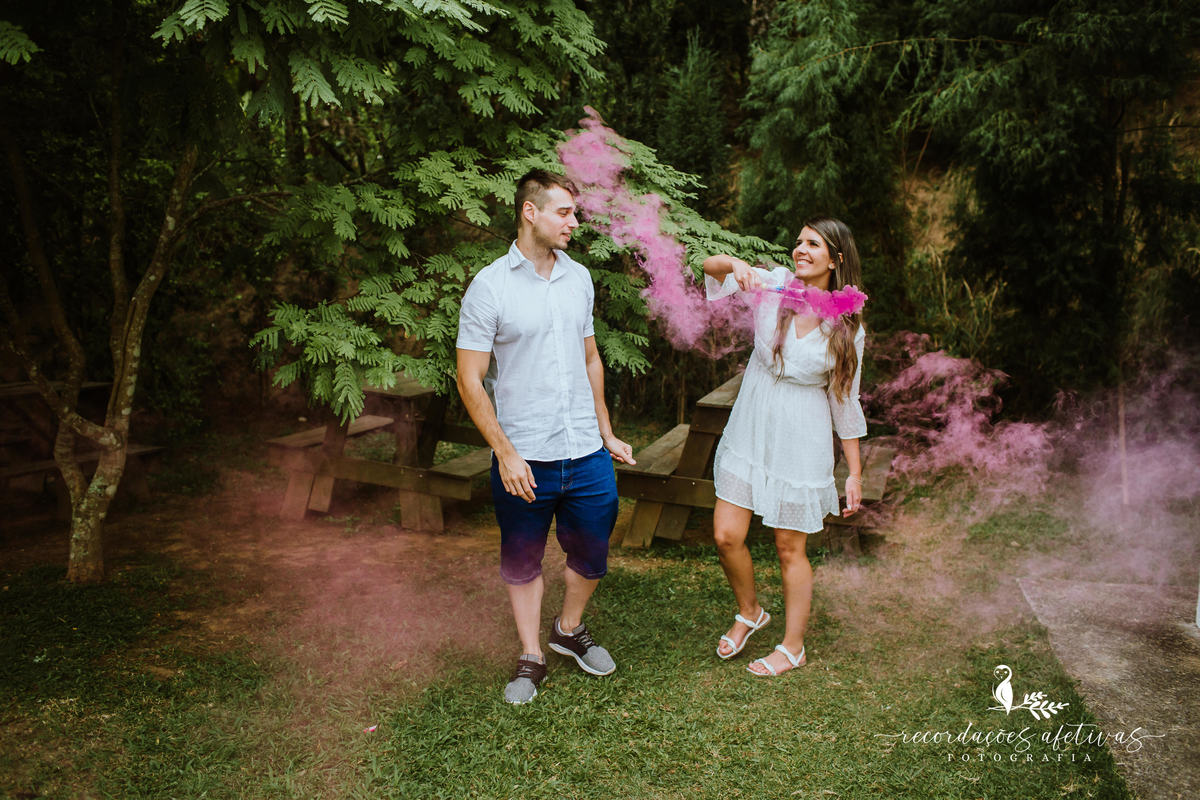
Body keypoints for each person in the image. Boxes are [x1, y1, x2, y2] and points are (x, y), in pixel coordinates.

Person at [456, 169, 636, 704]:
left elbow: (589, 357)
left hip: (584, 450)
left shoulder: (579, 277)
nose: (574, 223)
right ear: (530, 212)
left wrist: (605, 431)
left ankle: (568, 628)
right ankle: (531, 654)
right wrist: (505, 453)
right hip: (524, 455)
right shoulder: (489, 285)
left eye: (575, 213)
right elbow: (469, 378)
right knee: (522, 559)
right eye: (565, 212)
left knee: (593, 550)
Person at [702, 216, 867, 676]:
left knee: (789, 547)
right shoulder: (774, 285)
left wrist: (853, 472)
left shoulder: (848, 327)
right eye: (799, 241)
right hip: (752, 424)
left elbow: (845, 401)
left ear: (835, 259)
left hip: (801, 436)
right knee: (725, 535)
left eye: (813, 244)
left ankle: (793, 646)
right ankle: (750, 612)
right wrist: (735, 264)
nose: (801, 249)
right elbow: (708, 265)